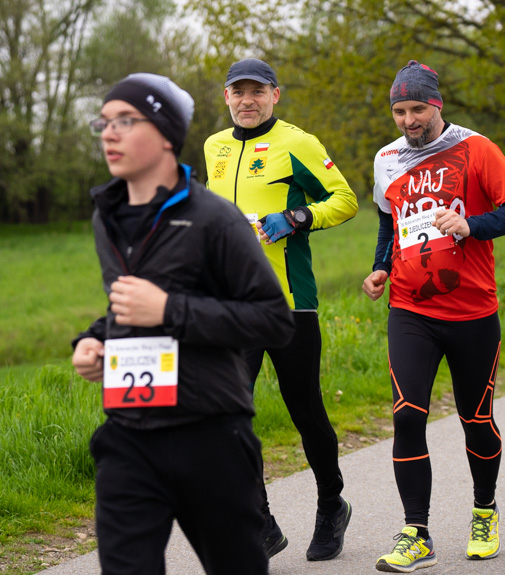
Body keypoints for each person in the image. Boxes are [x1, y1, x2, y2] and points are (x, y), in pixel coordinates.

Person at [72, 73, 294, 575]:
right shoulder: (106, 217)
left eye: (125, 121)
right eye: (103, 123)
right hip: (128, 432)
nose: (109, 134)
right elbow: (131, 305)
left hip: (209, 434)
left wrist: (170, 311)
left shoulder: (215, 219)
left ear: (167, 134)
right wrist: (94, 338)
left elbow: (274, 320)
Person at [363, 60, 505, 573]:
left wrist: (471, 224)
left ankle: (484, 509)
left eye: (418, 108)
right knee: (406, 414)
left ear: (437, 106)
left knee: (475, 419)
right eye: (400, 110)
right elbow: (387, 223)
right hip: (410, 309)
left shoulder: (476, 147)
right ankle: (416, 533)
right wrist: (379, 269)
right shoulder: (387, 158)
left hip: (473, 312)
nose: (409, 119)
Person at [203, 58, 358, 562]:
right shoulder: (215, 147)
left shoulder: (298, 143)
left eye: (257, 92)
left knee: (305, 412)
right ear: (226, 96)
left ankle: (332, 504)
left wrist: (297, 216)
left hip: (290, 303)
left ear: (275, 95)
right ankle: (261, 523)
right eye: (237, 92)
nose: (247, 100)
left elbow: (346, 199)